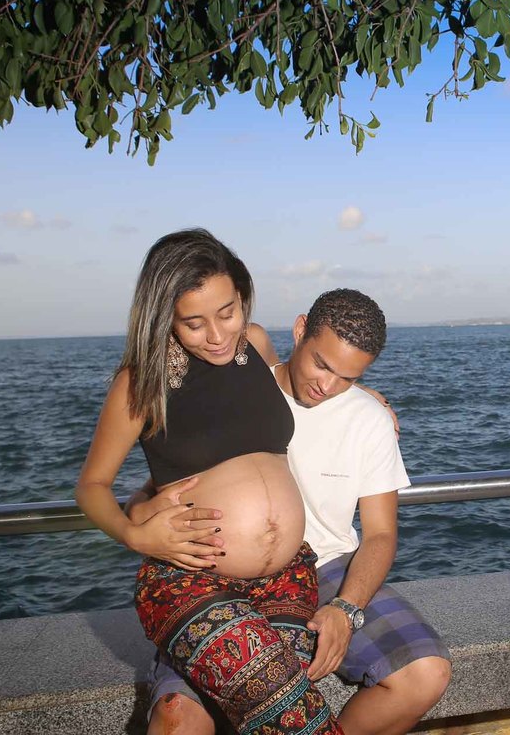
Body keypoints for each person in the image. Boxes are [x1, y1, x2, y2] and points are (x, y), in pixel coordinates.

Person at [140, 289, 452, 735]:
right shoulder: (241, 383)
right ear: (300, 329)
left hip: (326, 568)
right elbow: (163, 479)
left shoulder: (369, 418)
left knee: (426, 673)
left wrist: (346, 609)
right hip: (221, 575)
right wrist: (145, 515)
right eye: (322, 365)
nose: (327, 387)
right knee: (178, 716)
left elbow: (380, 535)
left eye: (348, 376)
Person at [75, 229, 343, 735]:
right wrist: (135, 533)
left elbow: (299, 383)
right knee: (296, 719)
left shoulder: (255, 344)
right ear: (164, 318)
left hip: (285, 578)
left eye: (228, 313)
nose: (218, 336)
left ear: (243, 299)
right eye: (194, 324)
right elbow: (91, 486)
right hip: (191, 579)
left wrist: (362, 395)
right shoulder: (141, 381)